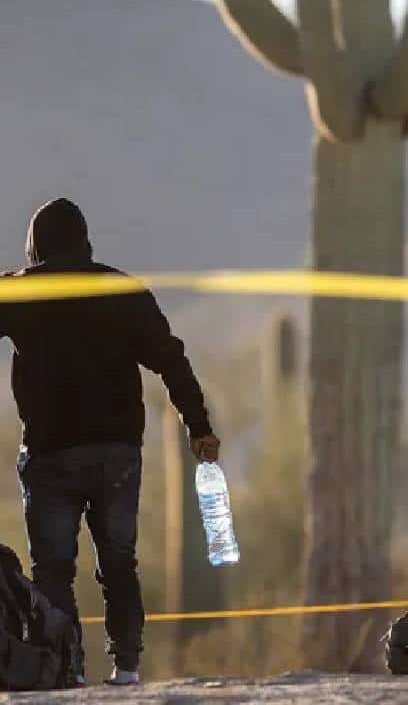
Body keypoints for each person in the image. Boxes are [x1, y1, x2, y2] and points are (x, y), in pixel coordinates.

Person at [0, 198, 219, 685]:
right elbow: (171, 360)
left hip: (49, 453)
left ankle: (66, 668)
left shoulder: (17, 293)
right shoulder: (124, 292)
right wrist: (198, 424)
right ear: (84, 241)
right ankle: (127, 667)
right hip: (116, 452)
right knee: (119, 561)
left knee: (53, 569)